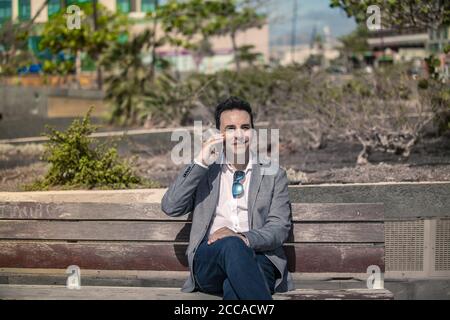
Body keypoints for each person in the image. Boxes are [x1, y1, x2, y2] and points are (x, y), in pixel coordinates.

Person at [161, 96, 293, 300]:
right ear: (219, 134)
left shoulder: (273, 174)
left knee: (235, 287)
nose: (239, 134)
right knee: (231, 246)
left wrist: (242, 238)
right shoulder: (205, 171)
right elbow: (171, 206)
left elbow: (279, 228)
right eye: (230, 128)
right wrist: (200, 161)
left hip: (259, 257)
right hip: (211, 259)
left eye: (245, 127)